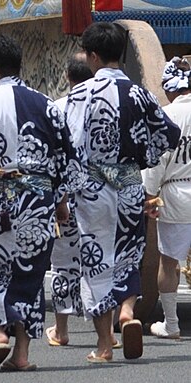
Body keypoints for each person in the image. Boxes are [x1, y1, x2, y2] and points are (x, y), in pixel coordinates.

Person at [0, 35, 86, 371]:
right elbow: (67, 156)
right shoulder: (47, 104)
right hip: (38, 200)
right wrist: (62, 199)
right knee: (30, 274)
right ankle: (22, 355)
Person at [64, 22, 181, 362]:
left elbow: (69, 145)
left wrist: (66, 192)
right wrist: (144, 156)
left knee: (96, 258)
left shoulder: (80, 94)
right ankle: (127, 310)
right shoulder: (138, 92)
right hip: (130, 184)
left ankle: (104, 344)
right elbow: (168, 134)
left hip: (93, 188)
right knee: (129, 252)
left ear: (93, 56)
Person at [47, 51, 98, 346]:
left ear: (67, 77)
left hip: (66, 196)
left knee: (64, 262)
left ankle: (62, 330)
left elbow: (53, 158)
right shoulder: (104, 106)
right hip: (101, 194)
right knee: (100, 259)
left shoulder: (57, 108)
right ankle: (105, 330)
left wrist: (58, 198)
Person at [142, 57, 191, 339]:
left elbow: (156, 162)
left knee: (169, 261)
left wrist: (149, 197)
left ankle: (171, 325)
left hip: (175, 193)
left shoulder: (166, 116)